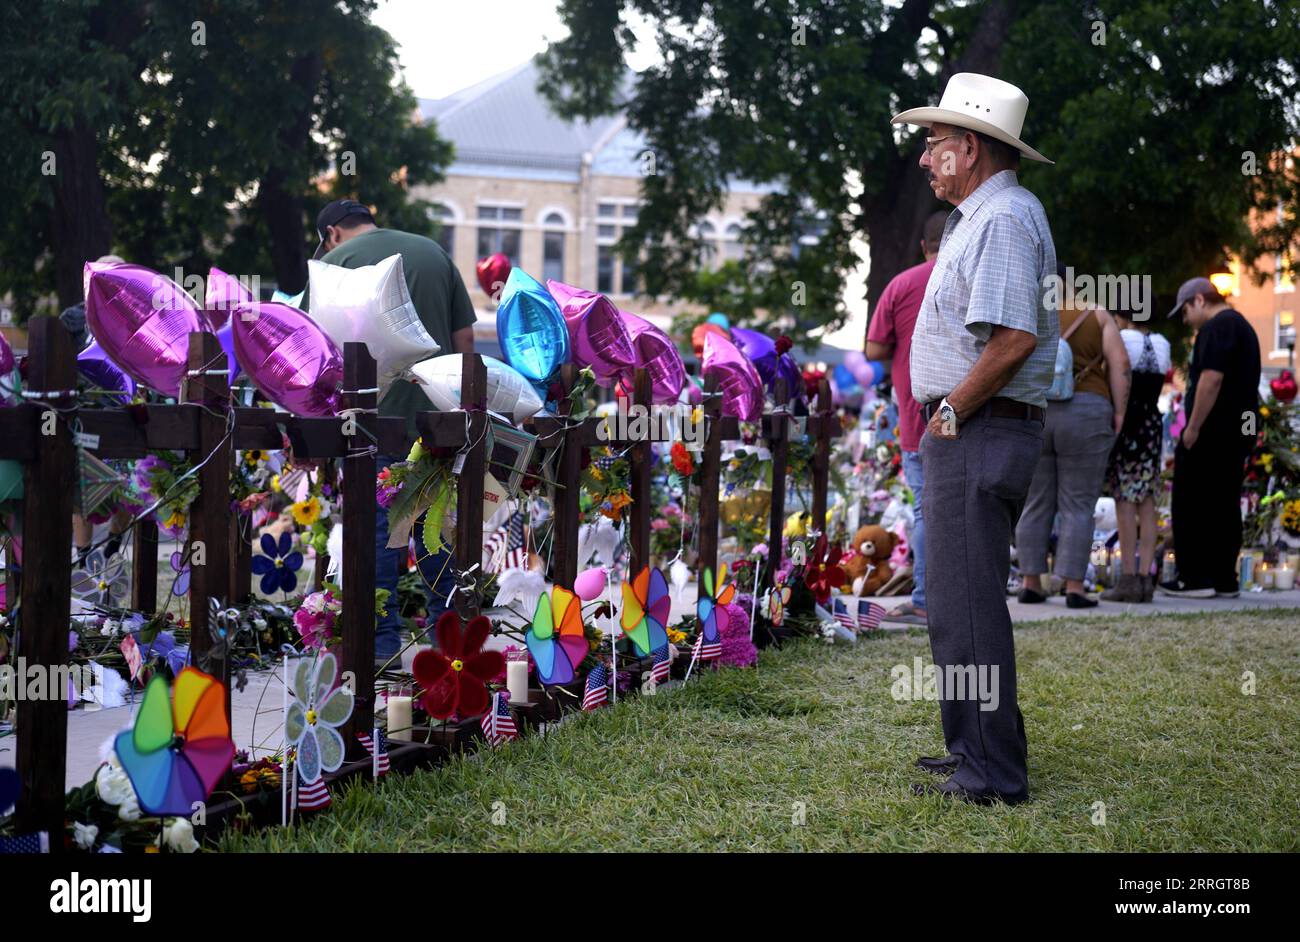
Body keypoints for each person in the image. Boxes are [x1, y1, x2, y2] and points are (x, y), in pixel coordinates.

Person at [892, 72, 1057, 805]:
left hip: (978, 427)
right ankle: (978, 749)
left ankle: (989, 770)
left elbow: (1014, 338)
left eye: (934, 144)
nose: (925, 158)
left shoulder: (1004, 218)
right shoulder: (988, 216)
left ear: (970, 146)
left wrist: (950, 411)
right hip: (976, 425)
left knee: (965, 603)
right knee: (960, 601)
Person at [314, 199, 477, 665]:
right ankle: (449, 641)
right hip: (437, 420)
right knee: (435, 529)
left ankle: (381, 641)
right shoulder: (433, 252)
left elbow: (315, 347)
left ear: (332, 234)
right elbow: (465, 341)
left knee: (378, 532)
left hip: (369, 422)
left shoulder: (333, 263)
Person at [1015, 265, 1130, 608]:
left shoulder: (1028, 315)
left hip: (1037, 411)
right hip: (1087, 412)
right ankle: (1074, 587)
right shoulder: (1096, 314)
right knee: (1078, 504)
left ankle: (1030, 582)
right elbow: (1121, 365)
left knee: (1034, 502)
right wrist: (1119, 411)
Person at [866, 209, 950, 625]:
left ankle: (924, 600)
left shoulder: (901, 284)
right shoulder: (969, 280)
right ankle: (960, 598)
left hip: (918, 418)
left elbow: (874, 350)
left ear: (922, 246)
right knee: (964, 512)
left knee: (925, 511)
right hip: (967, 413)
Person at [1160, 277, 1260, 598]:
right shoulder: (1244, 327)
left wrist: (1192, 428)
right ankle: (1223, 577)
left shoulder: (1217, 328)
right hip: (1239, 429)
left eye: (1185, 310)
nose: (1185, 319)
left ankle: (1194, 577)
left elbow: (1211, 379)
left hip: (1213, 430)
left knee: (1192, 500)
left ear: (1200, 300)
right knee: (1225, 502)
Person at [1100, 312, 1171, 602]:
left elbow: (1113, 375)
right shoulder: (1162, 343)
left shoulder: (1123, 339)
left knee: (1125, 502)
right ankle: (1145, 578)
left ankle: (1128, 577)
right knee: (1147, 501)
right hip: (1152, 424)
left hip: (1128, 425)